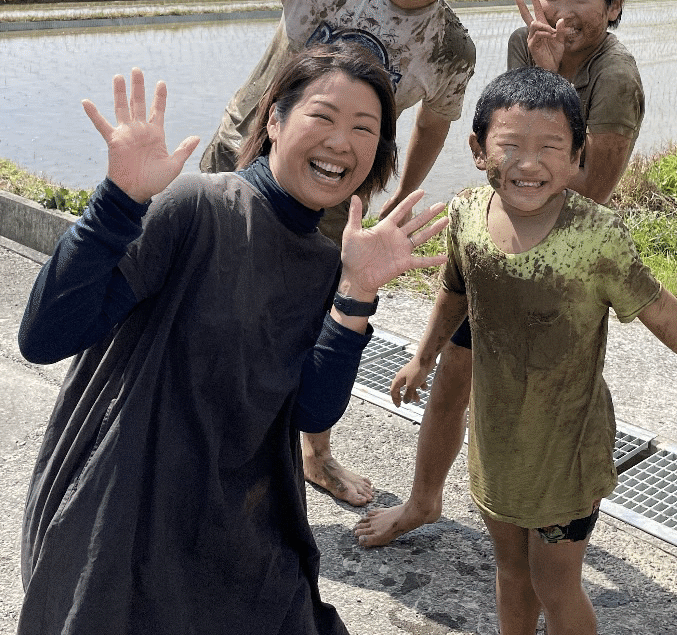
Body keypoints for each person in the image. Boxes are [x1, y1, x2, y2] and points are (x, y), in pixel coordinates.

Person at [18, 45, 449, 634]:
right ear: (273, 121)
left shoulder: (331, 264)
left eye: (363, 129)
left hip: (240, 533)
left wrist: (356, 295)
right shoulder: (198, 208)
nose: (340, 142)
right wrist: (116, 204)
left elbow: (312, 409)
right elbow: (46, 336)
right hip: (124, 516)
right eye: (322, 116)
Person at [391, 67, 677, 635]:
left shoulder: (597, 236)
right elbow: (454, 293)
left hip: (568, 447)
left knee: (554, 583)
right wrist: (423, 355)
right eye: (509, 146)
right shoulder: (465, 216)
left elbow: (657, 305)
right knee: (511, 572)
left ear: (578, 154)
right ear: (478, 150)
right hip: (498, 437)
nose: (529, 164)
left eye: (550, 148)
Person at [356, 0, 645, 547]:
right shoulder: (526, 42)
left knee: (543, 402)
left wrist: (555, 74)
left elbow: (586, 189)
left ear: (615, 5)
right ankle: (424, 501)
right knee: (450, 380)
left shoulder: (615, 77)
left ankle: (551, 518)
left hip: (558, 268)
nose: (562, 12)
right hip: (498, 248)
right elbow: (505, 146)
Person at [196, 0, 479, 505]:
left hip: (331, 196)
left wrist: (396, 200)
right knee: (209, 299)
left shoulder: (450, 47)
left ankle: (314, 456)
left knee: (314, 321)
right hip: (244, 158)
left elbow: (435, 121)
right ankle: (200, 430)